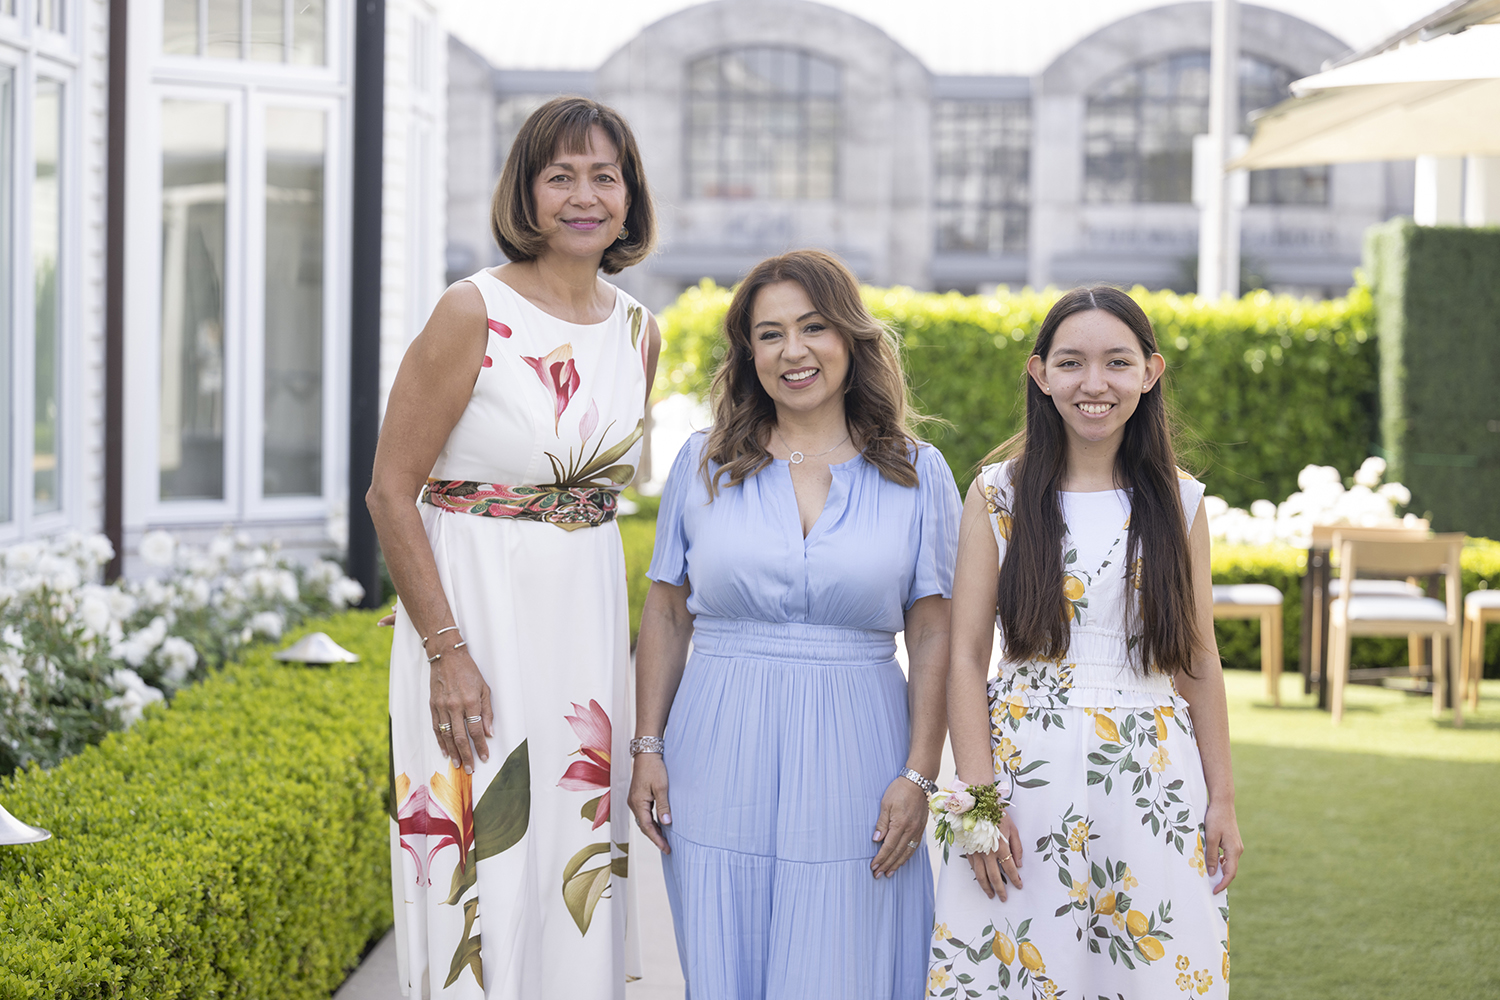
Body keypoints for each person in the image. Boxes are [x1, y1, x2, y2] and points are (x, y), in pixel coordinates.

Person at [368, 96, 659, 999]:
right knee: (483, 852)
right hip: (475, 624)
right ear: (526, 194)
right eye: (560, 176)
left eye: (604, 176)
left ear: (630, 195)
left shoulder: (639, 330)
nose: (585, 196)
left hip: (584, 624)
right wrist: (445, 650)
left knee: (575, 847)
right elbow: (390, 492)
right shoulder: (473, 309)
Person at [628, 249, 960, 1000]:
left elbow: (935, 634)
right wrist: (648, 745)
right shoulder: (702, 462)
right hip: (715, 749)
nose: (793, 351)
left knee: (847, 959)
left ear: (850, 337)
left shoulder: (918, 472)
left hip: (861, 750)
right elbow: (668, 611)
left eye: (814, 327)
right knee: (726, 957)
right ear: (749, 353)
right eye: (770, 334)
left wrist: (919, 772)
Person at [928, 286, 1243, 999]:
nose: (1094, 383)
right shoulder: (997, 494)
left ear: (1150, 372)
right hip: (1023, 777)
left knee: (1151, 971)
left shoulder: (1182, 500)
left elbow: (1198, 659)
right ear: (1040, 373)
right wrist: (979, 803)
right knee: (1015, 967)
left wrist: (1222, 798)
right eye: (1071, 362)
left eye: (1117, 362)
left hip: (1153, 776)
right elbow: (966, 655)